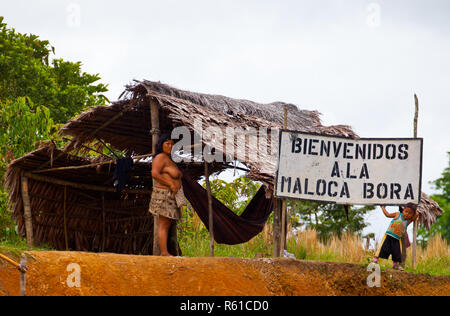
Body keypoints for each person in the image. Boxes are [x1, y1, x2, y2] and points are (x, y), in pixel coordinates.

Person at [149, 134, 182, 256]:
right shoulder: (160, 157)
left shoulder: (169, 159)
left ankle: (165, 251)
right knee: (163, 224)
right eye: (167, 144)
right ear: (161, 145)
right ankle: (164, 252)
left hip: (170, 195)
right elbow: (155, 174)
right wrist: (171, 184)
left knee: (167, 223)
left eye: (172, 144)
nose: (171, 146)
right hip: (163, 194)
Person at [372, 203, 419, 270]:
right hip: (388, 235)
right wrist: (383, 208)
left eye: (410, 213)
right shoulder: (397, 214)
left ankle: (395, 264)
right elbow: (387, 215)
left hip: (397, 238)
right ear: (403, 210)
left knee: (396, 252)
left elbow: (416, 215)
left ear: (412, 215)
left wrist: (415, 209)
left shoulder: (408, 221)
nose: (407, 214)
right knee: (382, 248)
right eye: (406, 211)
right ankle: (375, 259)